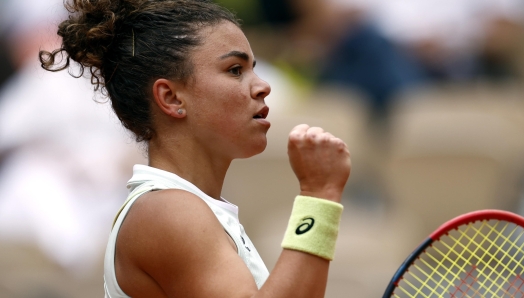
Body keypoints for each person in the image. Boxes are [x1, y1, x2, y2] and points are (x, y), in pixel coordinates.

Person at [40, 0, 351, 297]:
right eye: (235, 70)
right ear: (172, 98)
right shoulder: (168, 211)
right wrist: (318, 195)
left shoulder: (188, 208)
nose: (263, 86)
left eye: (253, 68)